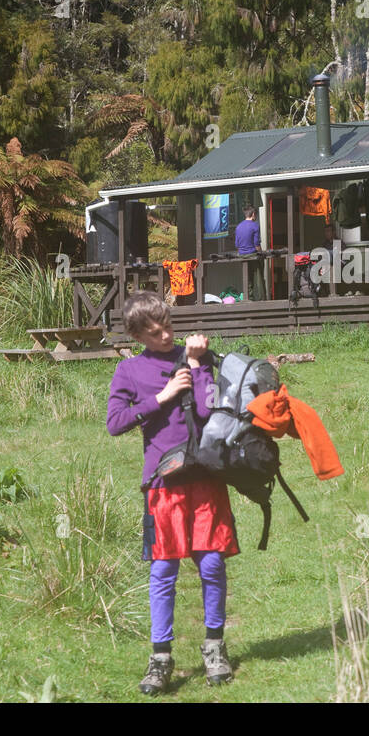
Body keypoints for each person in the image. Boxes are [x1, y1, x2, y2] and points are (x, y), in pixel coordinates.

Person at [106, 291, 239, 695]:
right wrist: (160, 398)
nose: (166, 334)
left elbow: (211, 411)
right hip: (162, 483)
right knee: (163, 570)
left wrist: (198, 367)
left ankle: (215, 647)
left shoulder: (198, 356)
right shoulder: (129, 371)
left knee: (212, 563)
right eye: (154, 331)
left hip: (205, 478)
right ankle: (161, 657)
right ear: (137, 335)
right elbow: (115, 423)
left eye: (167, 325)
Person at [235, 204, 265, 301]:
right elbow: (256, 244)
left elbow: (237, 244)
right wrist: (261, 254)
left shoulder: (238, 227)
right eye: (255, 214)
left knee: (247, 278)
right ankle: (262, 299)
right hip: (252, 255)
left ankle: (249, 298)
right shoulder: (255, 226)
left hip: (242, 256)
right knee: (259, 278)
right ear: (253, 214)